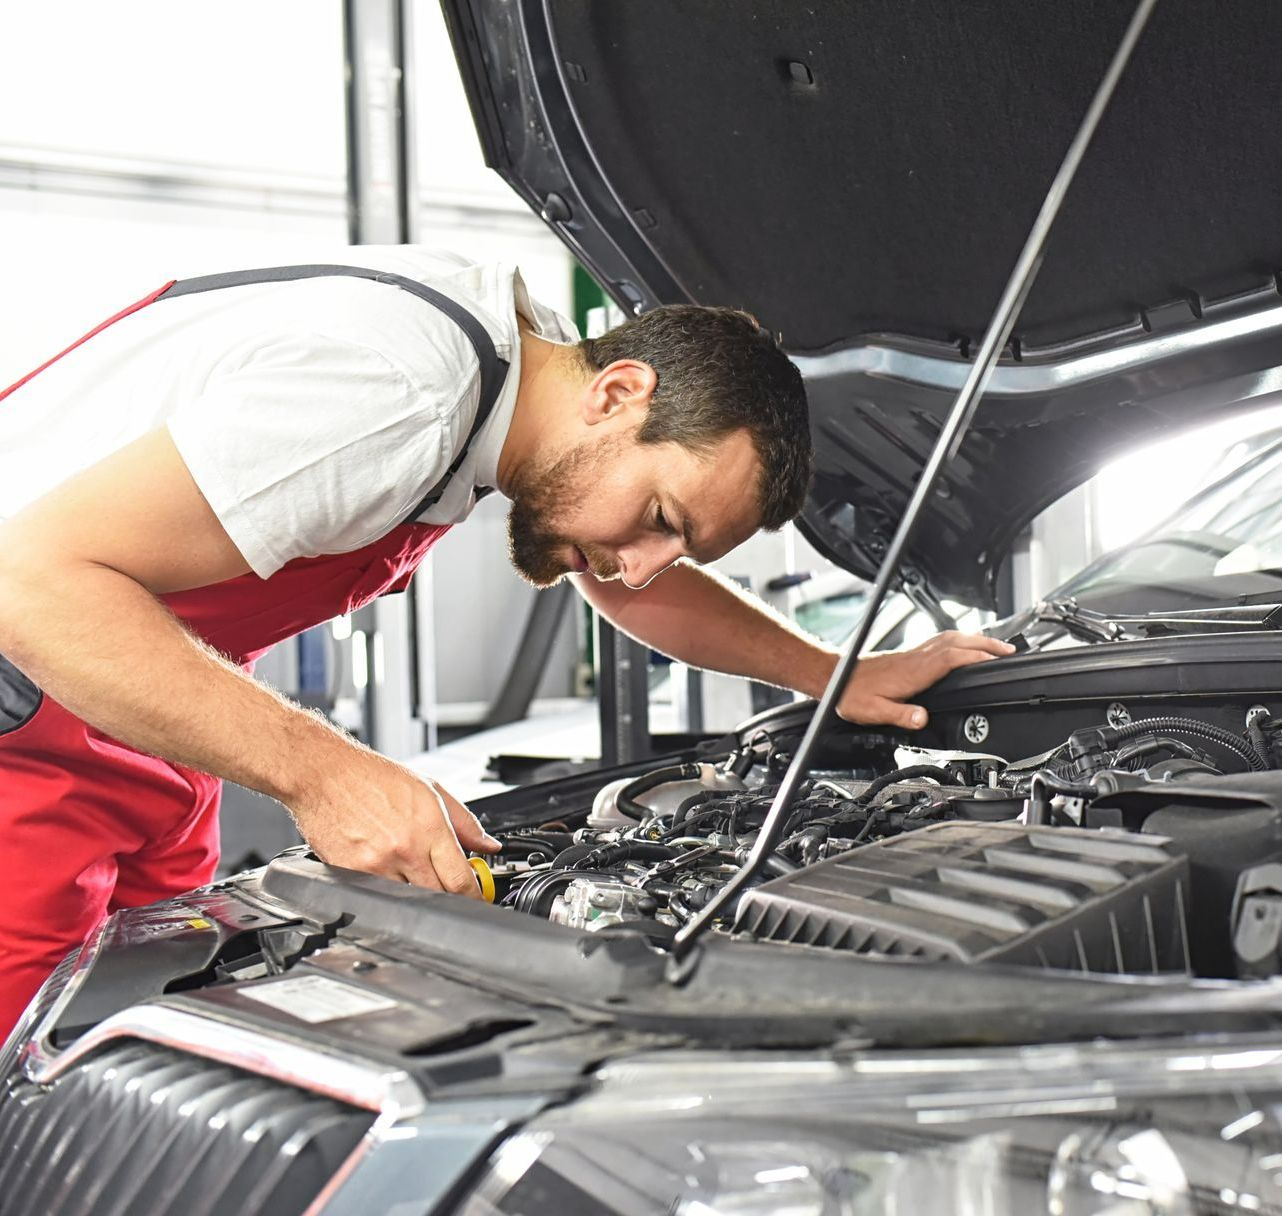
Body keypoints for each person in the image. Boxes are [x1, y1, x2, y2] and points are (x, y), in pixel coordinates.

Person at [0, 245, 1012, 1036]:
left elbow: (629, 587)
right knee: (30, 1088)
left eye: (682, 545)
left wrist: (833, 674)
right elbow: (30, 579)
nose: (649, 563)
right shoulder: (401, 388)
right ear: (617, 391)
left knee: (133, 1045)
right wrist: (329, 776)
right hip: (33, 695)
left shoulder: (516, 380)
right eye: (662, 515)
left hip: (134, 708)